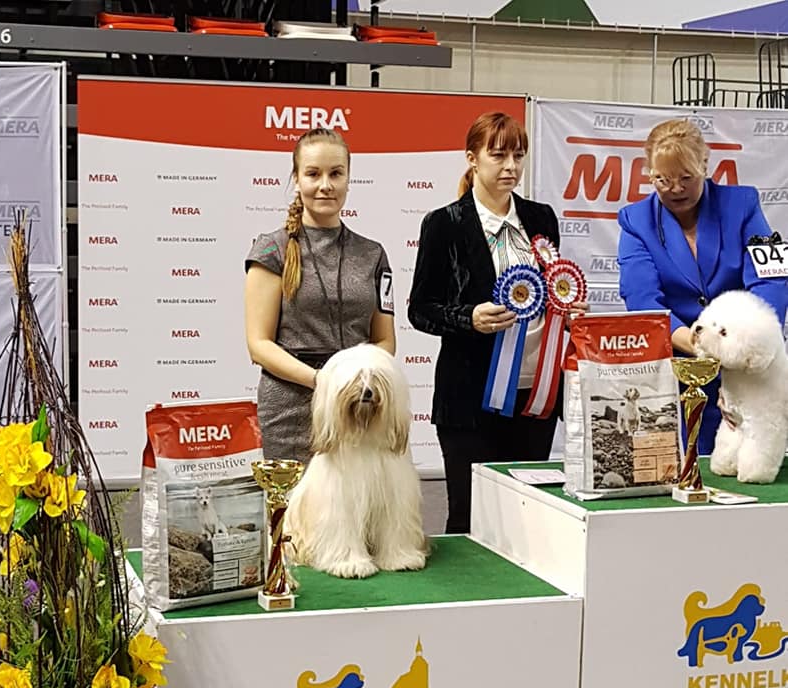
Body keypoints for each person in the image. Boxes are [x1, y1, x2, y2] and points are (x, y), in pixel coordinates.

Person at [409, 112, 585, 534]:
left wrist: (567, 309)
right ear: (472, 158)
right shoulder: (444, 223)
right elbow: (421, 309)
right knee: (469, 517)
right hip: (470, 399)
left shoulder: (541, 217)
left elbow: (551, 287)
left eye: (518, 156)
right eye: (499, 155)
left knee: (527, 518)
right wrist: (468, 317)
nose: (511, 167)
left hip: (536, 397)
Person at [618, 118, 788, 454]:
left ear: (705, 166)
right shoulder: (635, 220)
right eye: (663, 179)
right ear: (649, 174)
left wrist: (737, 350)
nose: (675, 189)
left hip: (743, 363)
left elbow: (772, 281)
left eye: (686, 178)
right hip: (677, 365)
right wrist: (701, 348)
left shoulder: (744, 204)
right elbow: (642, 299)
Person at [244, 128, 396, 464]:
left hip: (358, 410)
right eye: (313, 174)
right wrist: (324, 381)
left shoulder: (373, 254)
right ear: (296, 180)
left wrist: (354, 382)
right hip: (290, 412)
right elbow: (259, 345)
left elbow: (385, 341)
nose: (325, 185)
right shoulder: (270, 249)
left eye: (336, 174)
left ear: (348, 180)